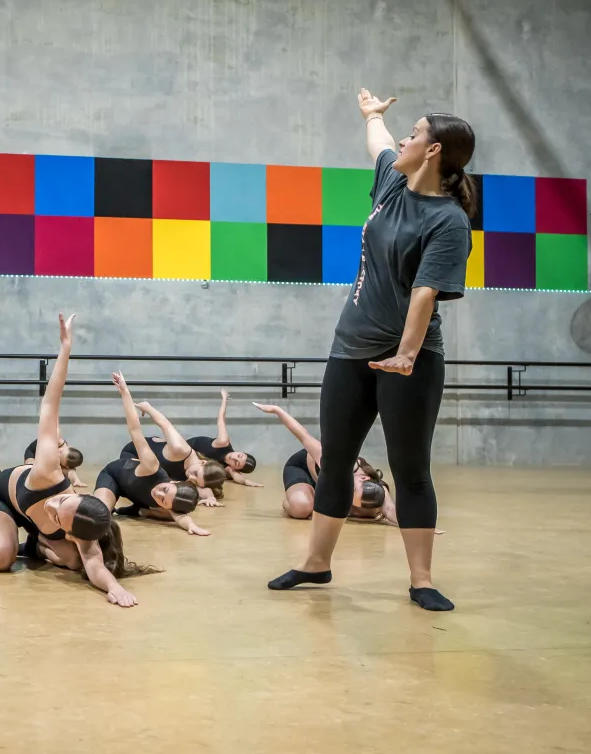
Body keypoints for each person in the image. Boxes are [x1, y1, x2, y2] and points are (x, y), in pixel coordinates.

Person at [268, 89, 475, 612]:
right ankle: (317, 564)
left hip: (410, 359)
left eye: (414, 132)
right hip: (350, 351)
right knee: (334, 459)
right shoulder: (391, 183)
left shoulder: (447, 221)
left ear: (433, 151)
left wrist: (405, 355)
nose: (403, 138)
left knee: (411, 469)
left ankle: (421, 579)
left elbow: (425, 292)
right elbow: (379, 144)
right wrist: (374, 117)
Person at [0, 314, 144, 608]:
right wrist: (65, 348)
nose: (53, 506)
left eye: (57, 517)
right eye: (63, 503)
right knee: (0, 559)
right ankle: (15, 539)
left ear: (69, 531)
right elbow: (50, 405)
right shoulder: (47, 473)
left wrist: (113, 587)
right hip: (1, 499)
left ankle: (35, 546)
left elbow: (94, 562)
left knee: (75, 560)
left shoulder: (81, 529)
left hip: (37, 525)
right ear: (80, 496)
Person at [96, 373, 208, 537]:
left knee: (169, 517)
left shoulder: (170, 505)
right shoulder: (152, 467)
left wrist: (192, 526)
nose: (158, 493)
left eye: (163, 500)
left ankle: (137, 510)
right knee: (100, 514)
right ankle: (120, 506)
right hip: (114, 476)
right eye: (165, 490)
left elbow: (181, 517)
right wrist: (125, 392)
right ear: (174, 481)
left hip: (136, 496)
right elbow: (135, 429)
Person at [251, 403, 396, 524]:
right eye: (351, 491)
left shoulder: (376, 493)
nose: (348, 497)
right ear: (364, 478)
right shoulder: (337, 463)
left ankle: (316, 496)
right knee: (301, 507)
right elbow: (303, 436)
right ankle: (291, 499)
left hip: (326, 485)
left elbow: (391, 511)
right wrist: (277, 410)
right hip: (303, 468)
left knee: (369, 511)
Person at [118, 402, 229, 506]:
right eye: (195, 473)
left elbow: (202, 488)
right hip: (133, 453)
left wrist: (211, 498)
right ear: (203, 462)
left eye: (195, 480)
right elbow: (165, 424)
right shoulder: (180, 449)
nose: (190, 477)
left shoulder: (196, 475)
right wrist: (147, 407)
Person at [188, 390, 261, 487]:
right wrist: (224, 400)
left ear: (235, 468)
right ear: (241, 452)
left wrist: (247, 482)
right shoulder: (223, 442)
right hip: (190, 446)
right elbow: (221, 419)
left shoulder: (227, 468)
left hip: (193, 461)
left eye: (236, 463)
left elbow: (236, 476)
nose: (233, 458)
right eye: (239, 456)